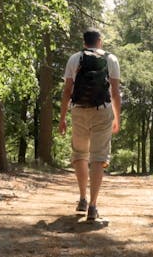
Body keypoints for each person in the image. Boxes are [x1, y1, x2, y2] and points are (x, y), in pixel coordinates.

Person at [59, 28, 121, 221]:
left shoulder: (74, 59)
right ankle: (93, 206)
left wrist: (62, 118)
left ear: (84, 42)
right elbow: (115, 92)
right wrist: (117, 117)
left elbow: (67, 90)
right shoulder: (111, 59)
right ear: (100, 41)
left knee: (80, 154)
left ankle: (82, 198)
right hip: (103, 111)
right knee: (98, 157)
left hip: (78, 110)